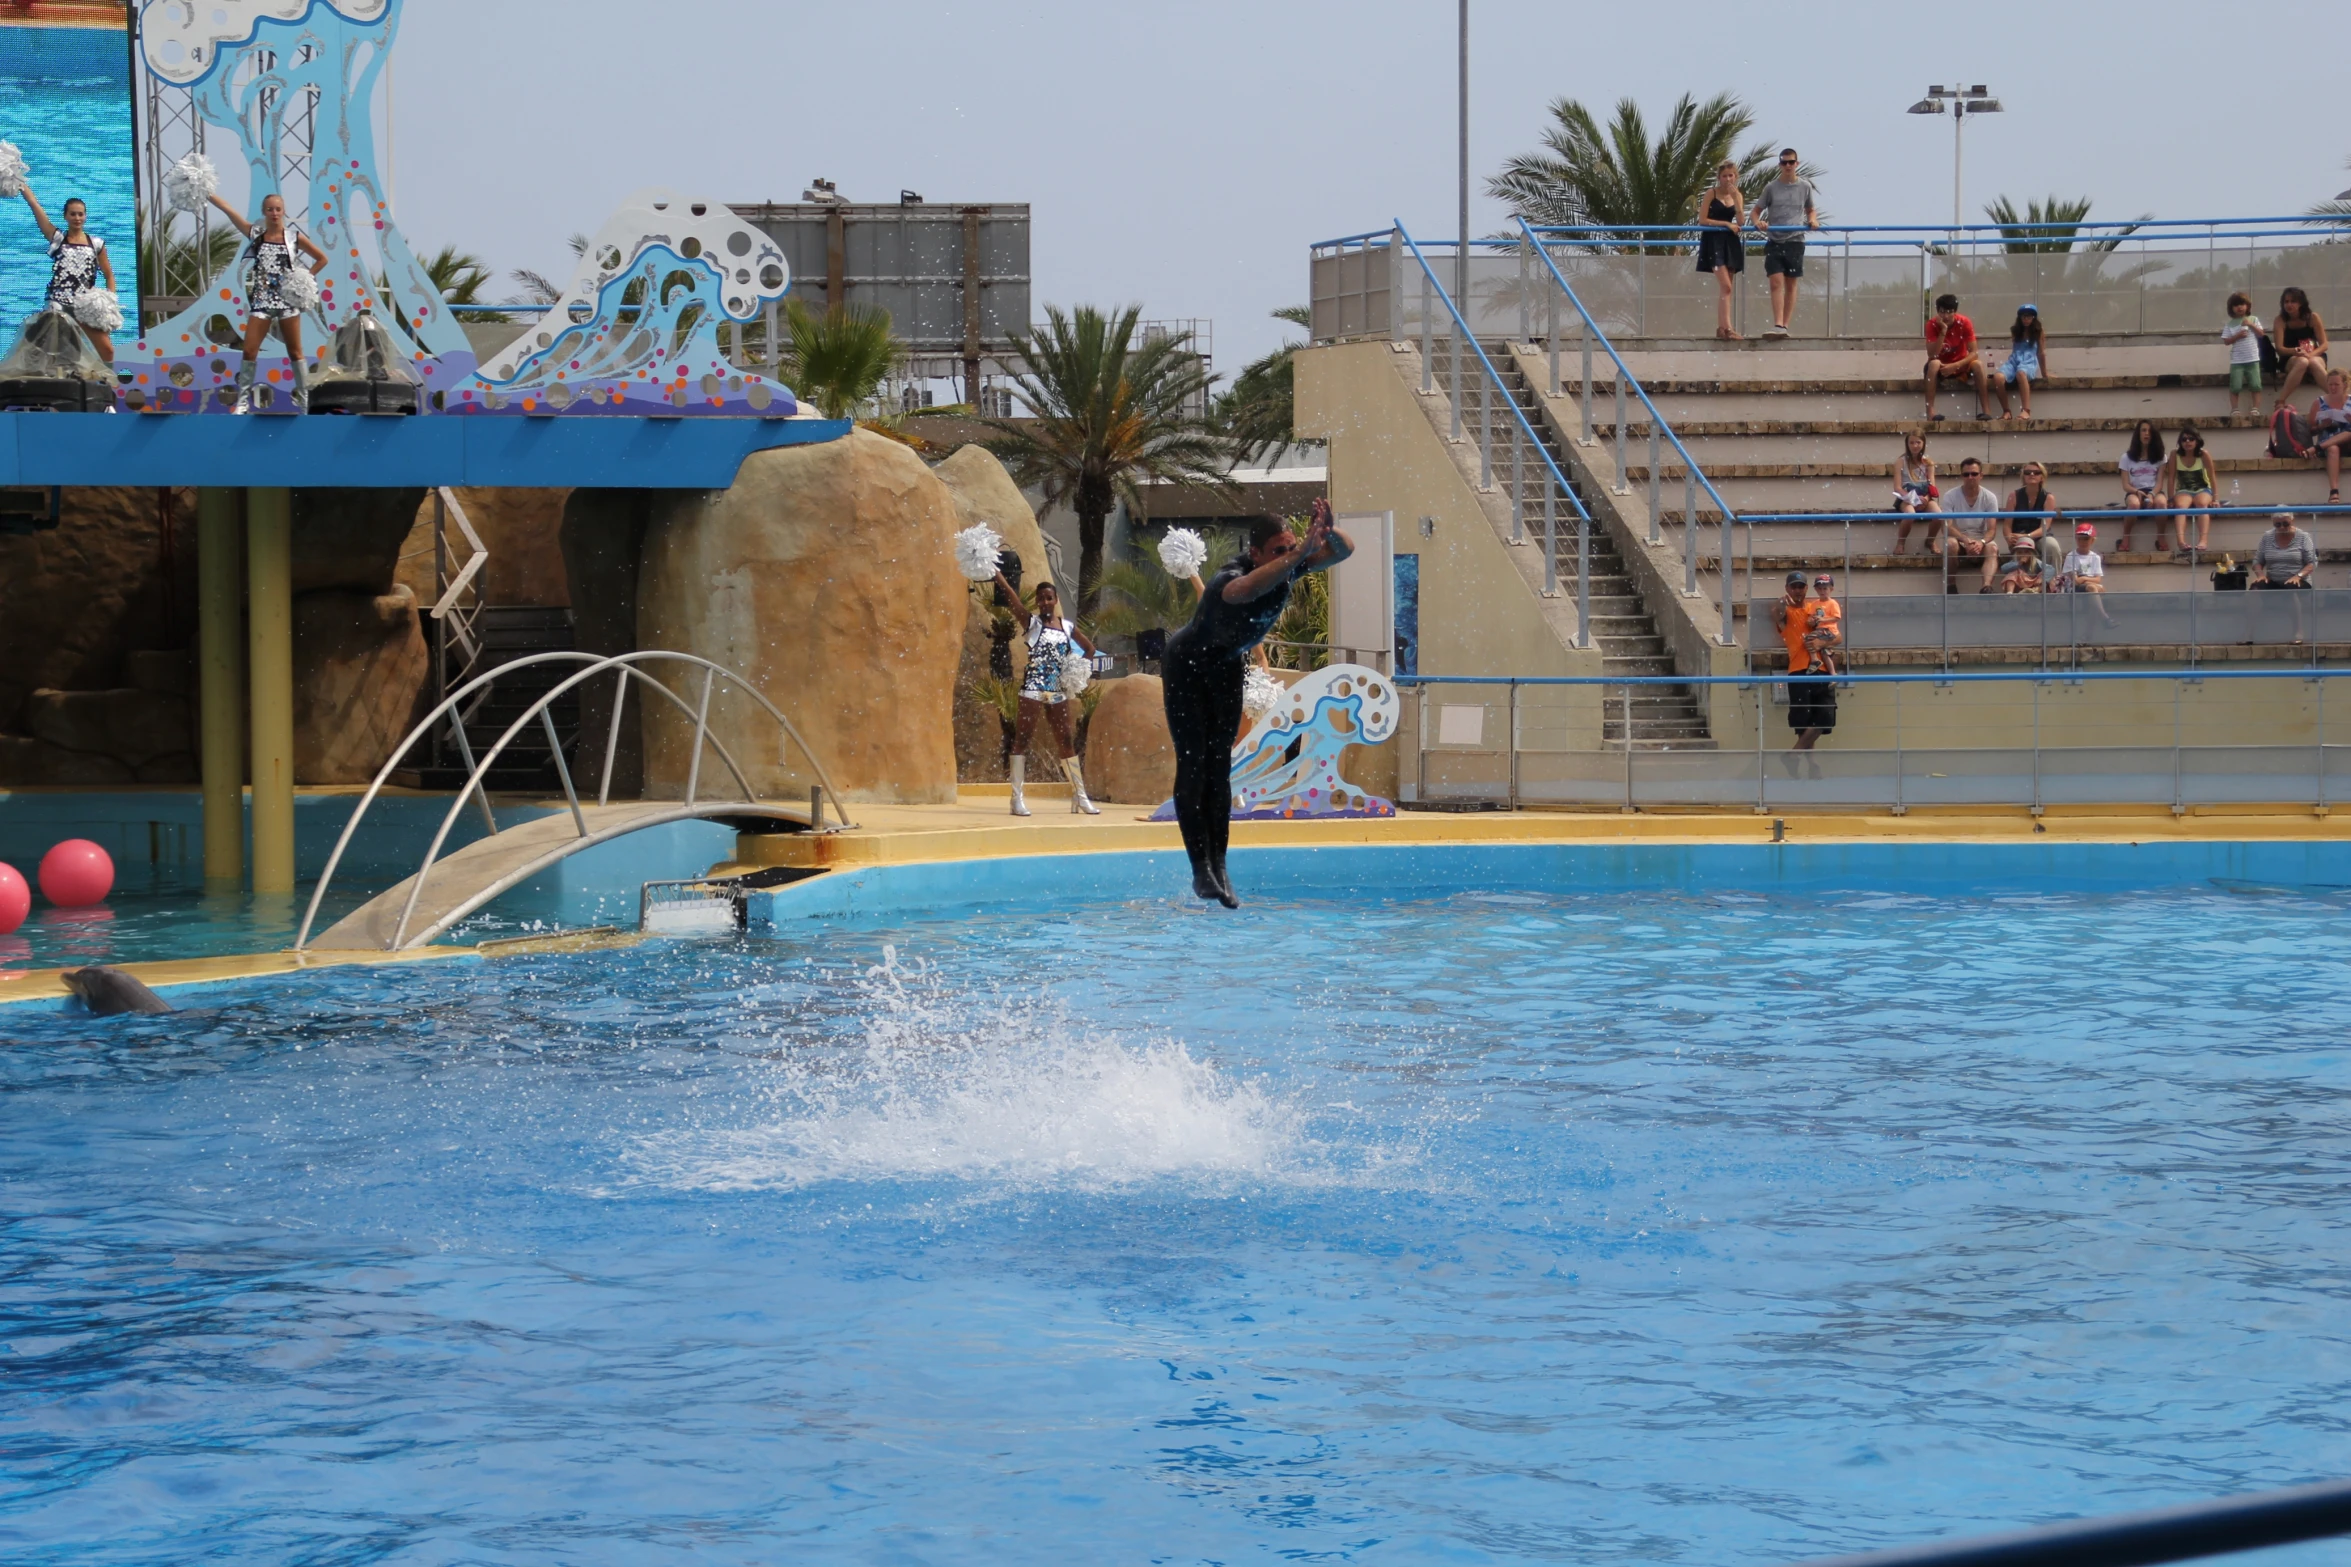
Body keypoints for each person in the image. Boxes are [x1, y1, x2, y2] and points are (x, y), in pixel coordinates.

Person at [1162, 501, 1353, 907]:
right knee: (1194, 763)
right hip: (1188, 668)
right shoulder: (1230, 575)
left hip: (1226, 667)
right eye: (1278, 552)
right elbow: (1242, 592)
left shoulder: (1291, 564)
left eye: (1290, 548)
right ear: (1255, 554)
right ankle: (1200, 869)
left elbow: (1344, 551)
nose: (1287, 558)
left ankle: (1221, 866)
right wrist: (1300, 553)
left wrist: (1327, 534)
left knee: (1219, 767)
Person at [204, 189, 328, 413]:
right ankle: (242, 401)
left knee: (295, 352)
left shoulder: (293, 238)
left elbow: (322, 258)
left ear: (284, 212)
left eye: (278, 209)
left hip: (287, 303)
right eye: (270, 209)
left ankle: (304, 401)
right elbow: (229, 210)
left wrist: (303, 278)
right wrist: (207, 193)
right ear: (263, 212)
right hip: (261, 302)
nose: (274, 213)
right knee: (250, 351)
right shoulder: (256, 235)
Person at [987, 574, 1100, 817]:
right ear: (1037, 602)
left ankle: (1080, 796)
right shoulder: (1033, 624)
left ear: (1056, 599)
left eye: (1049, 598)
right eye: (1041, 599)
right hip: (1033, 689)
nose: (1045, 602)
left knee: (1066, 741)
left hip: (1057, 691)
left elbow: (1089, 649)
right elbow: (1013, 600)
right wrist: (998, 576)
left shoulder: (1067, 626)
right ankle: (1016, 800)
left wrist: (1078, 670)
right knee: (1022, 740)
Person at [16, 186, 117, 363]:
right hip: (58, 303)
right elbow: (35, 206)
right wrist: (21, 184)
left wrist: (110, 303)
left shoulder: (96, 244)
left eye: (80, 214)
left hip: (84, 305)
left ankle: (109, 387)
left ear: (85, 216)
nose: (77, 218)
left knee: (107, 350)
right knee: (59, 349)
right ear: (66, 216)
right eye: (73, 214)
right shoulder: (58, 239)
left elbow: (109, 275)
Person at [1749, 148, 1817, 338]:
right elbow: (1755, 212)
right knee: (1775, 282)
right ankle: (1778, 323)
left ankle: (1784, 325)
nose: (1788, 166)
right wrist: (1757, 223)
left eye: (1791, 162)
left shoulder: (1805, 187)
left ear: (1797, 163)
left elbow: (1811, 209)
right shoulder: (1771, 188)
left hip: (1795, 240)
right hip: (1774, 240)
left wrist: (1812, 220)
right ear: (1780, 165)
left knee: (1791, 283)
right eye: (1784, 162)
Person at [1772, 571, 1836, 752]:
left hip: (1822, 669)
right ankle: (1810, 766)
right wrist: (1782, 601)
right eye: (1794, 587)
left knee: (1825, 717)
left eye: (1801, 586)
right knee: (1803, 721)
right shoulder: (1786, 611)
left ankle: (1793, 755)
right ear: (1787, 589)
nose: (1798, 590)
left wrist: (1821, 642)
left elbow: (1837, 637)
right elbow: (1777, 612)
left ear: (1807, 588)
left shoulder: (1816, 608)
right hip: (1799, 670)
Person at [1693, 160, 1746, 341]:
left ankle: (1723, 328)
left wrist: (1737, 201)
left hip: (1730, 243)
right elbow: (1702, 220)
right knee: (1726, 285)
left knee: (1727, 289)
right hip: (1713, 241)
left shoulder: (1737, 195)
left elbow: (1741, 221)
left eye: (1731, 175)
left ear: (1735, 176)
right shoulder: (1711, 193)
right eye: (1724, 176)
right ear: (1719, 178)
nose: (1728, 179)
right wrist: (1725, 223)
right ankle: (1728, 328)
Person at [1938, 457, 2004, 590]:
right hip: (1959, 539)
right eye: (1966, 474)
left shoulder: (1990, 497)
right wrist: (1965, 540)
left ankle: (1986, 588)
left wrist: (1981, 543)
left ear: (1981, 476)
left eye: (1974, 474)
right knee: (1950, 544)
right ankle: (1951, 585)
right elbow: (1946, 527)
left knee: (1993, 548)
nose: (1970, 477)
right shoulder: (1950, 496)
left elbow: (1992, 529)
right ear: (1961, 476)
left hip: (1981, 539)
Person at [1922, 294, 1988, 421]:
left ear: (1955, 312)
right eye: (1942, 312)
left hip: (1960, 364)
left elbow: (1974, 352)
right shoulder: (1932, 325)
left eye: (1949, 312)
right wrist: (1943, 331)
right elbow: (1932, 354)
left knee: (1978, 364)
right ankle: (1930, 412)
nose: (1945, 316)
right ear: (1938, 312)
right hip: (1940, 366)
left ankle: (1986, 411)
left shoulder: (1964, 322)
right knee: (1934, 363)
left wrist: (1956, 365)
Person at [2114, 421, 2167, 554]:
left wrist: (2152, 495)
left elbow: (2160, 482)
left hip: (2154, 490)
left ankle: (2161, 537)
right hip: (2134, 490)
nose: (2146, 434)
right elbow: (2125, 485)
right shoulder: (2126, 457)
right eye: (2143, 430)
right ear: (2138, 434)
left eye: (2149, 431)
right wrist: (2137, 491)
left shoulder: (2161, 457)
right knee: (2133, 504)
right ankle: (2126, 538)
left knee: (2161, 503)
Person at [2272, 287, 2328, 412]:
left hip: (2315, 355)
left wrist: (2310, 355)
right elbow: (2280, 348)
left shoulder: (2313, 317)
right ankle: (2281, 400)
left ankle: (2337, 397)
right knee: (2302, 362)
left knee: (2312, 362)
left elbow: (2324, 345)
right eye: (2286, 301)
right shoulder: (2280, 320)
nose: (2289, 305)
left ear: (2301, 303)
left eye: (2293, 301)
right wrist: (2295, 351)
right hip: (2291, 358)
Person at [2164, 426, 2218, 556]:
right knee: (2181, 506)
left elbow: (2212, 476)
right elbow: (2171, 477)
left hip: (2203, 488)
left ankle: (2203, 541)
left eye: (2191, 439)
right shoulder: (2174, 454)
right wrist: (2171, 498)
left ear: (2197, 440)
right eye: (2184, 439)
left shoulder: (2204, 454)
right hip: (2183, 489)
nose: (2187, 442)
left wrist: (2215, 498)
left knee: (2202, 504)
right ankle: (2181, 542)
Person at [1988, 303, 2046, 420]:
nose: (2026, 319)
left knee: (2021, 373)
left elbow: (2041, 353)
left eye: (2029, 317)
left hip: (2029, 361)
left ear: (2033, 318)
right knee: (1998, 377)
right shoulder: (2016, 331)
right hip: (2014, 361)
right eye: (2023, 317)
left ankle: (2026, 410)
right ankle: (2006, 411)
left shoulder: (2038, 331)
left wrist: (2045, 374)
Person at [2004, 461, 2064, 570]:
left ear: (2042, 477)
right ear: (2023, 476)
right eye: (2028, 472)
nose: (2032, 475)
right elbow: (2007, 524)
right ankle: (2021, 583)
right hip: (2019, 534)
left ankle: (2055, 582)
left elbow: (2045, 527)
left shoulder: (2048, 498)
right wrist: (2009, 538)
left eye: (2036, 472)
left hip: (2041, 536)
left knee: (2053, 546)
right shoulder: (2014, 496)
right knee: (2022, 547)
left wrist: (2028, 536)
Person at [1891, 430, 1942, 554]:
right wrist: (1913, 499)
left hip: (1925, 496)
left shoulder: (1928, 462)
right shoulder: (1901, 461)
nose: (1915, 446)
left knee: (1939, 514)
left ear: (1923, 444)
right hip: (1906, 497)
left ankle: (1930, 540)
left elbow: (1932, 485)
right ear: (1907, 444)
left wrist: (1926, 498)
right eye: (1911, 443)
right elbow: (1897, 487)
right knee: (1910, 514)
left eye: (1918, 442)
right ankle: (1901, 542)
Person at [2311, 368, 2351, 505]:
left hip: (2348, 442)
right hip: (2328, 442)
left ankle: (2316, 448)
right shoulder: (2319, 402)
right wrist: (2322, 426)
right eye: (2330, 384)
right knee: (2333, 448)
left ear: (2345, 385)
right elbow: (2311, 430)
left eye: (2336, 384)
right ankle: (2334, 491)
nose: (2333, 388)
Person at [2222, 292, 2266, 416]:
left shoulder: (2254, 319)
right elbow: (2226, 341)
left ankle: (2255, 408)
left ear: (2247, 305)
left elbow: (2261, 334)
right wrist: (2237, 336)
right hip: (2237, 360)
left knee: (2256, 384)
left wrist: (2250, 325)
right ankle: (2235, 409)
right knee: (2235, 386)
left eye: (2242, 304)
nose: (2239, 307)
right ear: (2231, 308)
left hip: (2252, 358)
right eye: (2236, 305)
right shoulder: (2229, 324)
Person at [2253, 510, 2318, 588]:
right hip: (2273, 581)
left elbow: (2312, 562)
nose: (2282, 527)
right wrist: (2260, 576)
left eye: (2285, 524)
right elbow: (2257, 561)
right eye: (2277, 524)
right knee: (2256, 588)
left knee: (2291, 588)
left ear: (2292, 520)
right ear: (2273, 522)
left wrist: (2298, 576)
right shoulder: (2267, 537)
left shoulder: (2303, 537)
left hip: (2299, 580)